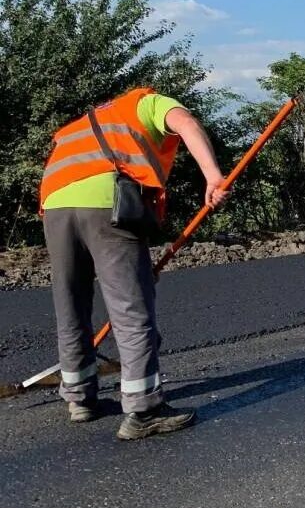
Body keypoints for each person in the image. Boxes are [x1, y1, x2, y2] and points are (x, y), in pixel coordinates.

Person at [39, 87, 230, 441]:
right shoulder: (147, 103)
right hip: (105, 205)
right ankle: (144, 410)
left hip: (55, 206)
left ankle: (80, 399)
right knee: (130, 308)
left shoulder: (88, 121)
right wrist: (213, 176)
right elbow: (186, 123)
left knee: (71, 303)